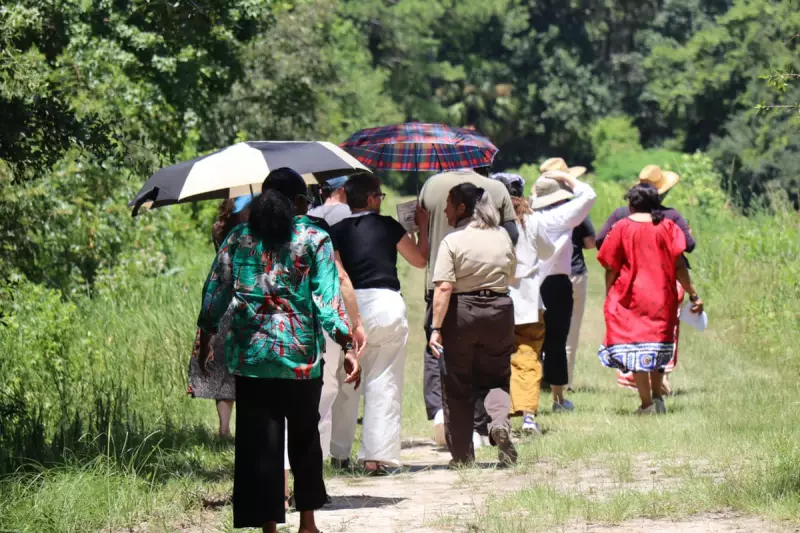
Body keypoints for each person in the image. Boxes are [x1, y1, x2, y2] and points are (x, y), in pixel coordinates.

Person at [196, 167, 361, 533]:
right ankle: (307, 524)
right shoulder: (314, 238)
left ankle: (268, 525)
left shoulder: (239, 237)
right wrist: (347, 343)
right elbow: (326, 300)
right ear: (300, 202)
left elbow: (215, 291)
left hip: (251, 359)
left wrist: (206, 336)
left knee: (259, 446)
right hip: (300, 361)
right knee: (304, 441)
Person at [328, 174, 427, 472]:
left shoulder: (335, 231)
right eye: (380, 196)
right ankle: (376, 458)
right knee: (384, 380)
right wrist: (421, 226)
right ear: (371, 199)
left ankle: (339, 453)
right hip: (385, 305)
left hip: (349, 304)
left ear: (346, 197)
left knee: (345, 382)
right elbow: (420, 260)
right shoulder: (390, 226)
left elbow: (338, 273)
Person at [418, 167, 519, 447]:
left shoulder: (452, 241)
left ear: (462, 208)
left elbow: (444, 287)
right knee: (497, 376)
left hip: (462, 311)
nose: (446, 212)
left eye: (449, 206)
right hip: (499, 309)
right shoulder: (501, 236)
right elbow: (511, 275)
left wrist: (436, 327)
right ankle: (498, 422)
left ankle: (462, 453)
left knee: (458, 382)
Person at [596, 183, 704, 415]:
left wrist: (609, 294)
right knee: (658, 348)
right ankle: (658, 399)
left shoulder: (621, 228)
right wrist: (693, 294)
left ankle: (646, 405)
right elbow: (679, 266)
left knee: (635, 348)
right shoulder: (668, 228)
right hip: (662, 297)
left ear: (631, 204)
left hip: (630, 297)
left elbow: (610, 266)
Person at [306, 175, 366, 462]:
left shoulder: (249, 234)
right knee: (330, 387)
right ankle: (329, 453)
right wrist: (353, 328)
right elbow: (339, 277)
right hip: (321, 317)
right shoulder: (320, 230)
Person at [490, 173, 555, 435]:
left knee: (496, 359)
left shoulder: (489, 221)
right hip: (528, 300)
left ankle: (497, 415)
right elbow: (548, 251)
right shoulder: (534, 220)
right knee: (528, 357)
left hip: (495, 298)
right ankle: (528, 416)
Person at [530, 162, 596, 412]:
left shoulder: (530, 217)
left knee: (532, 341)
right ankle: (558, 399)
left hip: (531, 284)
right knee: (557, 341)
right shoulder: (563, 215)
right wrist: (564, 177)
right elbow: (588, 195)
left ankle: (528, 399)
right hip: (557, 284)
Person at [188, 195, 254, 437]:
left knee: (222, 369)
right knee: (245, 367)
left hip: (223, 303)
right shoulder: (255, 234)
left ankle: (224, 428)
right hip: (246, 305)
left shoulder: (221, 229)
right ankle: (245, 426)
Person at [566, 215, 595, 390]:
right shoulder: (577, 211)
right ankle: (564, 381)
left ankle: (540, 376)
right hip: (574, 272)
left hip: (543, 274)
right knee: (571, 331)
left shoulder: (535, 209)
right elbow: (591, 243)